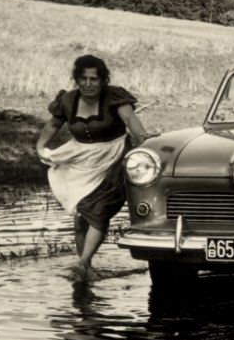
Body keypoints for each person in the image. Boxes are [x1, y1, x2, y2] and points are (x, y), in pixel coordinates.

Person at [35, 55, 150, 279]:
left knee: (98, 212)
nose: (88, 84)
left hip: (114, 156)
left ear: (103, 80)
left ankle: (82, 262)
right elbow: (53, 125)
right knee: (80, 217)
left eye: (94, 79)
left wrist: (143, 140)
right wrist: (40, 145)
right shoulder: (67, 100)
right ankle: (87, 269)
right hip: (82, 158)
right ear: (76, 80)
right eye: (83, 79)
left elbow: (131, 121)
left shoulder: (115, 97)